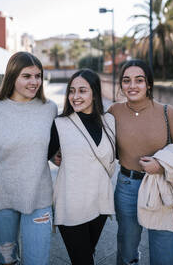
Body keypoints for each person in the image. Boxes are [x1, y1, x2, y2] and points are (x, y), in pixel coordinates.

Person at [0, 52, 58, 265]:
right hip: (2, 198)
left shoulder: (49, 109)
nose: (35, 82)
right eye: (27, 76)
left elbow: (50, 147)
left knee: (37, 261)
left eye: (38, 76)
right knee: (7, 260)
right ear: (12, 76)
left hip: (39, 197)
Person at [108, 59, 173, 265]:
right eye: (126, 80)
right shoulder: (113, 112)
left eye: (139, 80)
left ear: (149, 84)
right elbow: (100, 146)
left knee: (164, 248)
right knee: (126, 247)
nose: (132, 86)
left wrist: (160, 166)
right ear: (121, 85)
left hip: (160, 187)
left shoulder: (167, 112)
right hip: (127, 187)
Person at [48, 68, 116, 265]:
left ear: (94, 93)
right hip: (71, 205)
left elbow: (120, 153)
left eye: (82, 90)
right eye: (71, 90)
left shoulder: (110, 121)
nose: (75, 96)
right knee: (83, 260)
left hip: (100, 203)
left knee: (87, 253)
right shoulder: (60, 124)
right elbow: (40, 155)